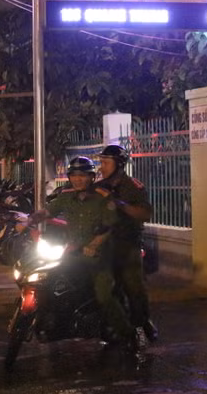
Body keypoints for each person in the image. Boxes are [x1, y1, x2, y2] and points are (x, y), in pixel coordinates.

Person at [27, 156, 136, 346]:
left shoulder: (103, 197)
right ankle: (56, 324)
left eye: (83, 175)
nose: (78, 179)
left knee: (104, 294)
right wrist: (31, 219)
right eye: (74, 175)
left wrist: (94, 245)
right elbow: (49, 212)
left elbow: (109, 226)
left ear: (92, 177)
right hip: (74, 252)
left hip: (101, 256)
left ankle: (127, 334)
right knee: (49, 280)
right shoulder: (67, 196)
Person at [94, 144, 158, 344]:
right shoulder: (99, 185)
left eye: (106, 162)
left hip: (126, 244)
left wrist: (119, 204)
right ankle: (111, 325)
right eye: (101, 162)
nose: (102, 167)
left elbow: (145, 213)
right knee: (104, 287)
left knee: (134, 287)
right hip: (104, 244)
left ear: (119, 164)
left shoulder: (132, 186)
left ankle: (142, 324)